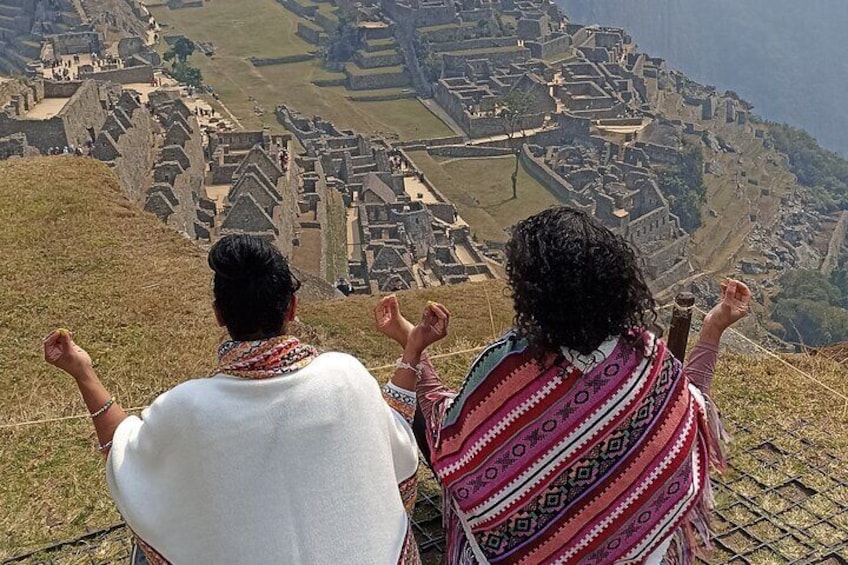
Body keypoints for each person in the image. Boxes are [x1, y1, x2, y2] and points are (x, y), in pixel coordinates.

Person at [375, 207, 751, 564]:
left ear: (531, 295)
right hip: (634, 547)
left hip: (515, 552)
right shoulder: (646, 355)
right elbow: (689, 413)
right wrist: (713, 330)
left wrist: (415, 351)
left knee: (436, 429)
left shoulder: (510, 367)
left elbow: (446, 437)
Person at [43, 234, 445, 564]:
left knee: (152, 541)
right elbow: (393, 431)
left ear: (219, 314)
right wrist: (410, 352)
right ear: (291, 308)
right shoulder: (347, 376)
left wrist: (84, 373)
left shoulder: (188, 410)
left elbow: (127, 458)